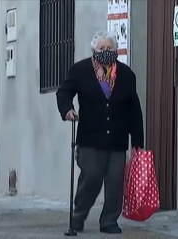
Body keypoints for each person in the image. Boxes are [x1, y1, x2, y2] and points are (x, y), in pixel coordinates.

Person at [56, 31, 144, 234]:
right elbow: (64, 91)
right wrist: (67, 109)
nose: (106, 52)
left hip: (117, 139)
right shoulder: (80, 70)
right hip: (90, 137)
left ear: (116, 50)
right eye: (101, 49)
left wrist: (137, 141)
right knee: (91, 179)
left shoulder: (126, 74)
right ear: (93, 51)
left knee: (115, 183)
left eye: (109, 48)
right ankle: (77, 217)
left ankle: (109, 221)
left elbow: (134, 109)